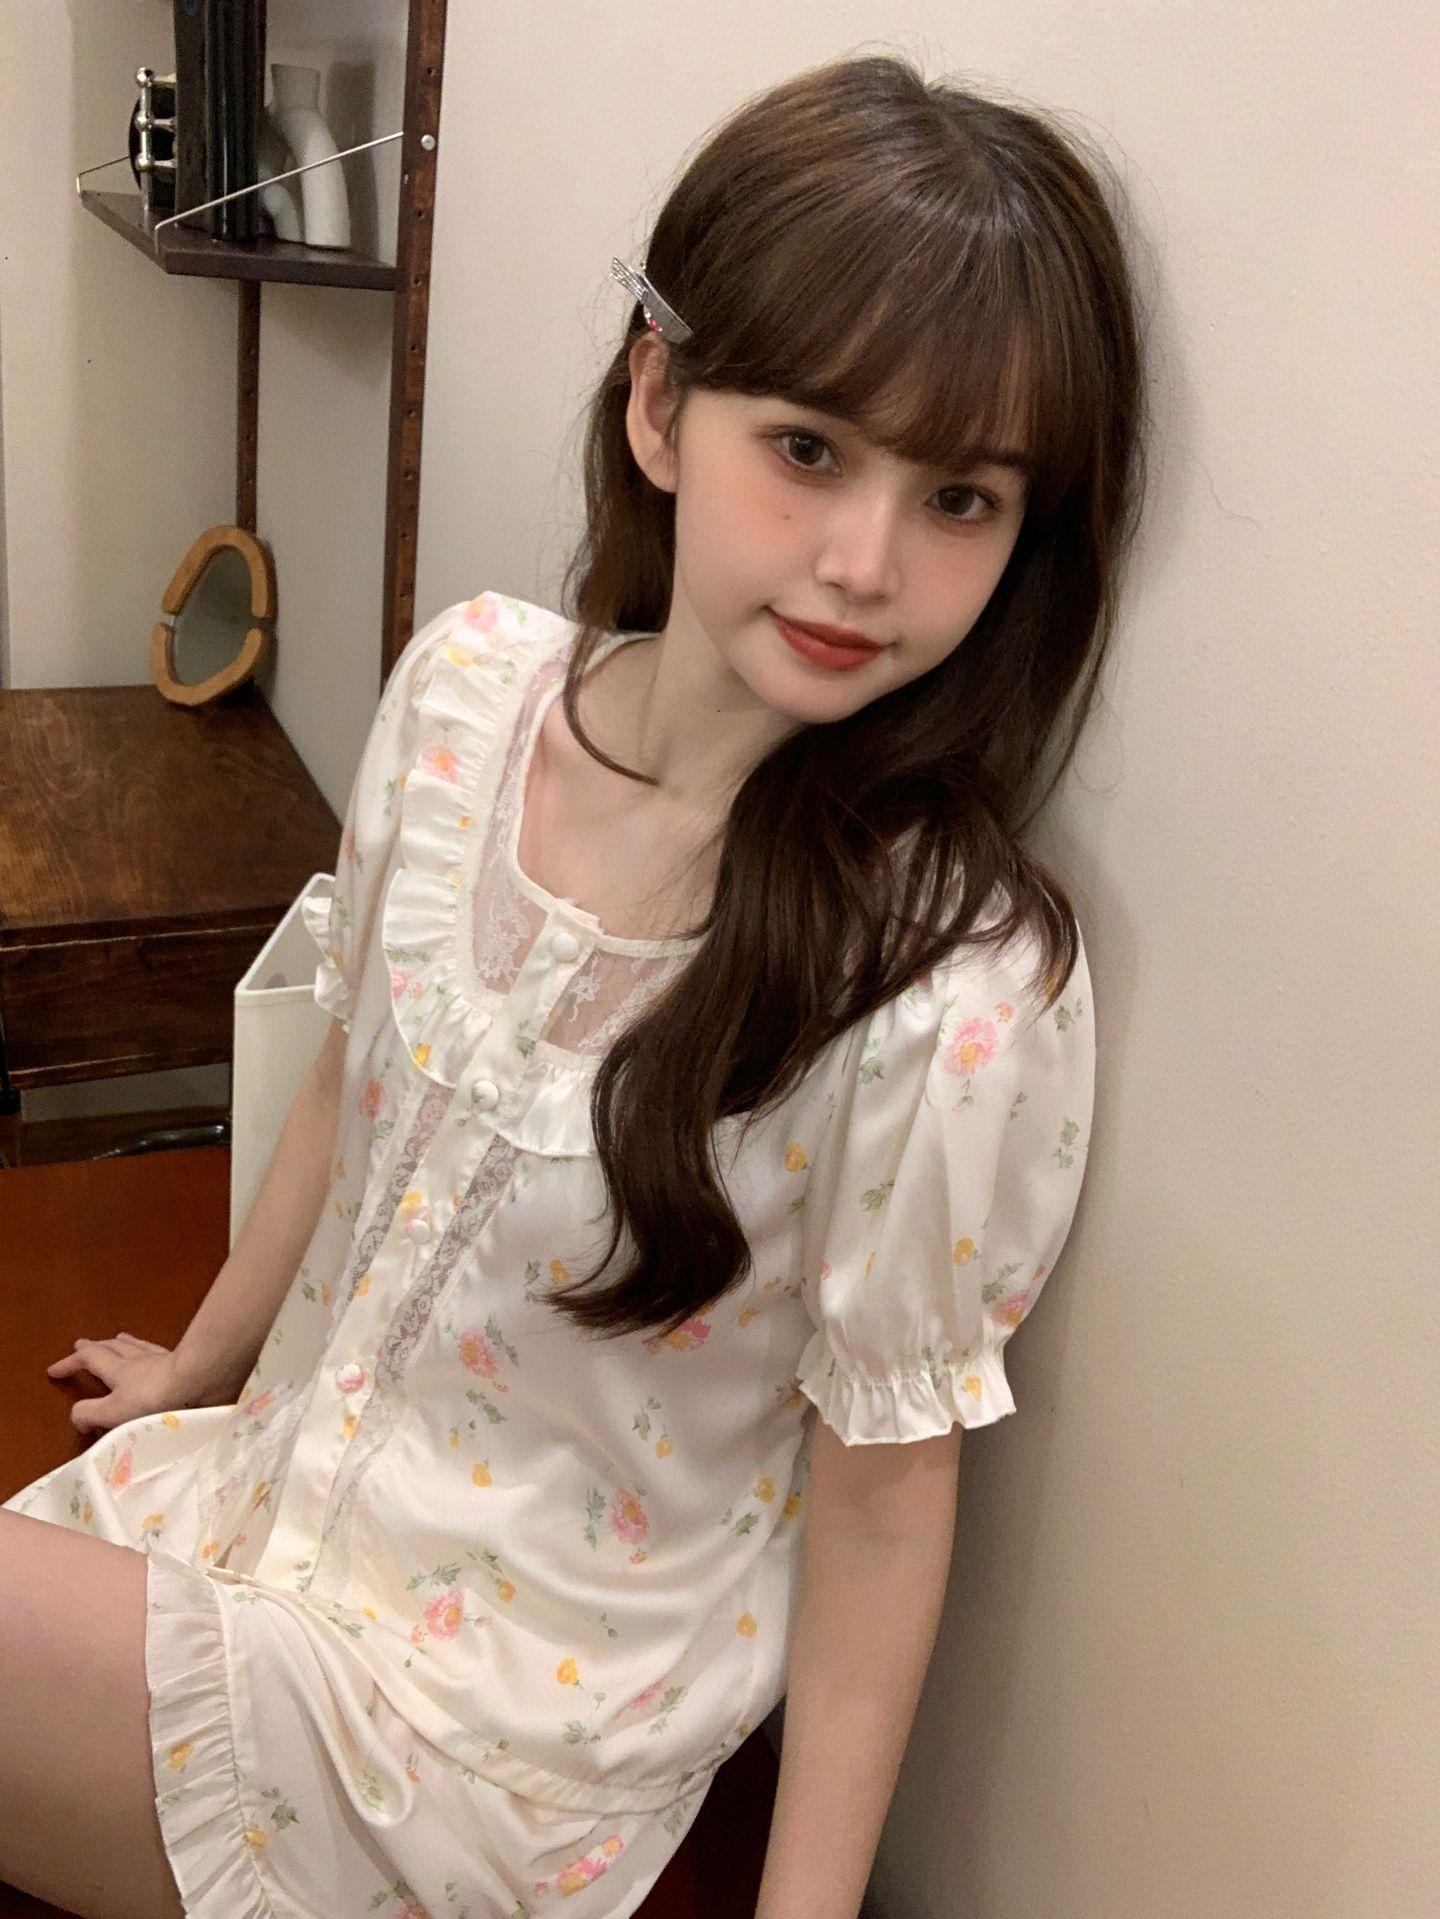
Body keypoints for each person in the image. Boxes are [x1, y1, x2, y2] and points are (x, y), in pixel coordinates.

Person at [0, 49, 1146, 1919]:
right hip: (260, 1520)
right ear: (661, 401)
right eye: (810, 449)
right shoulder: (467, 691)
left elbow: (884, 1501)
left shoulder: (949, 984)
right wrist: (201, 1368)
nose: (865, 563)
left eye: (960, 498)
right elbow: (347, 1085)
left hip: (493, 1745)